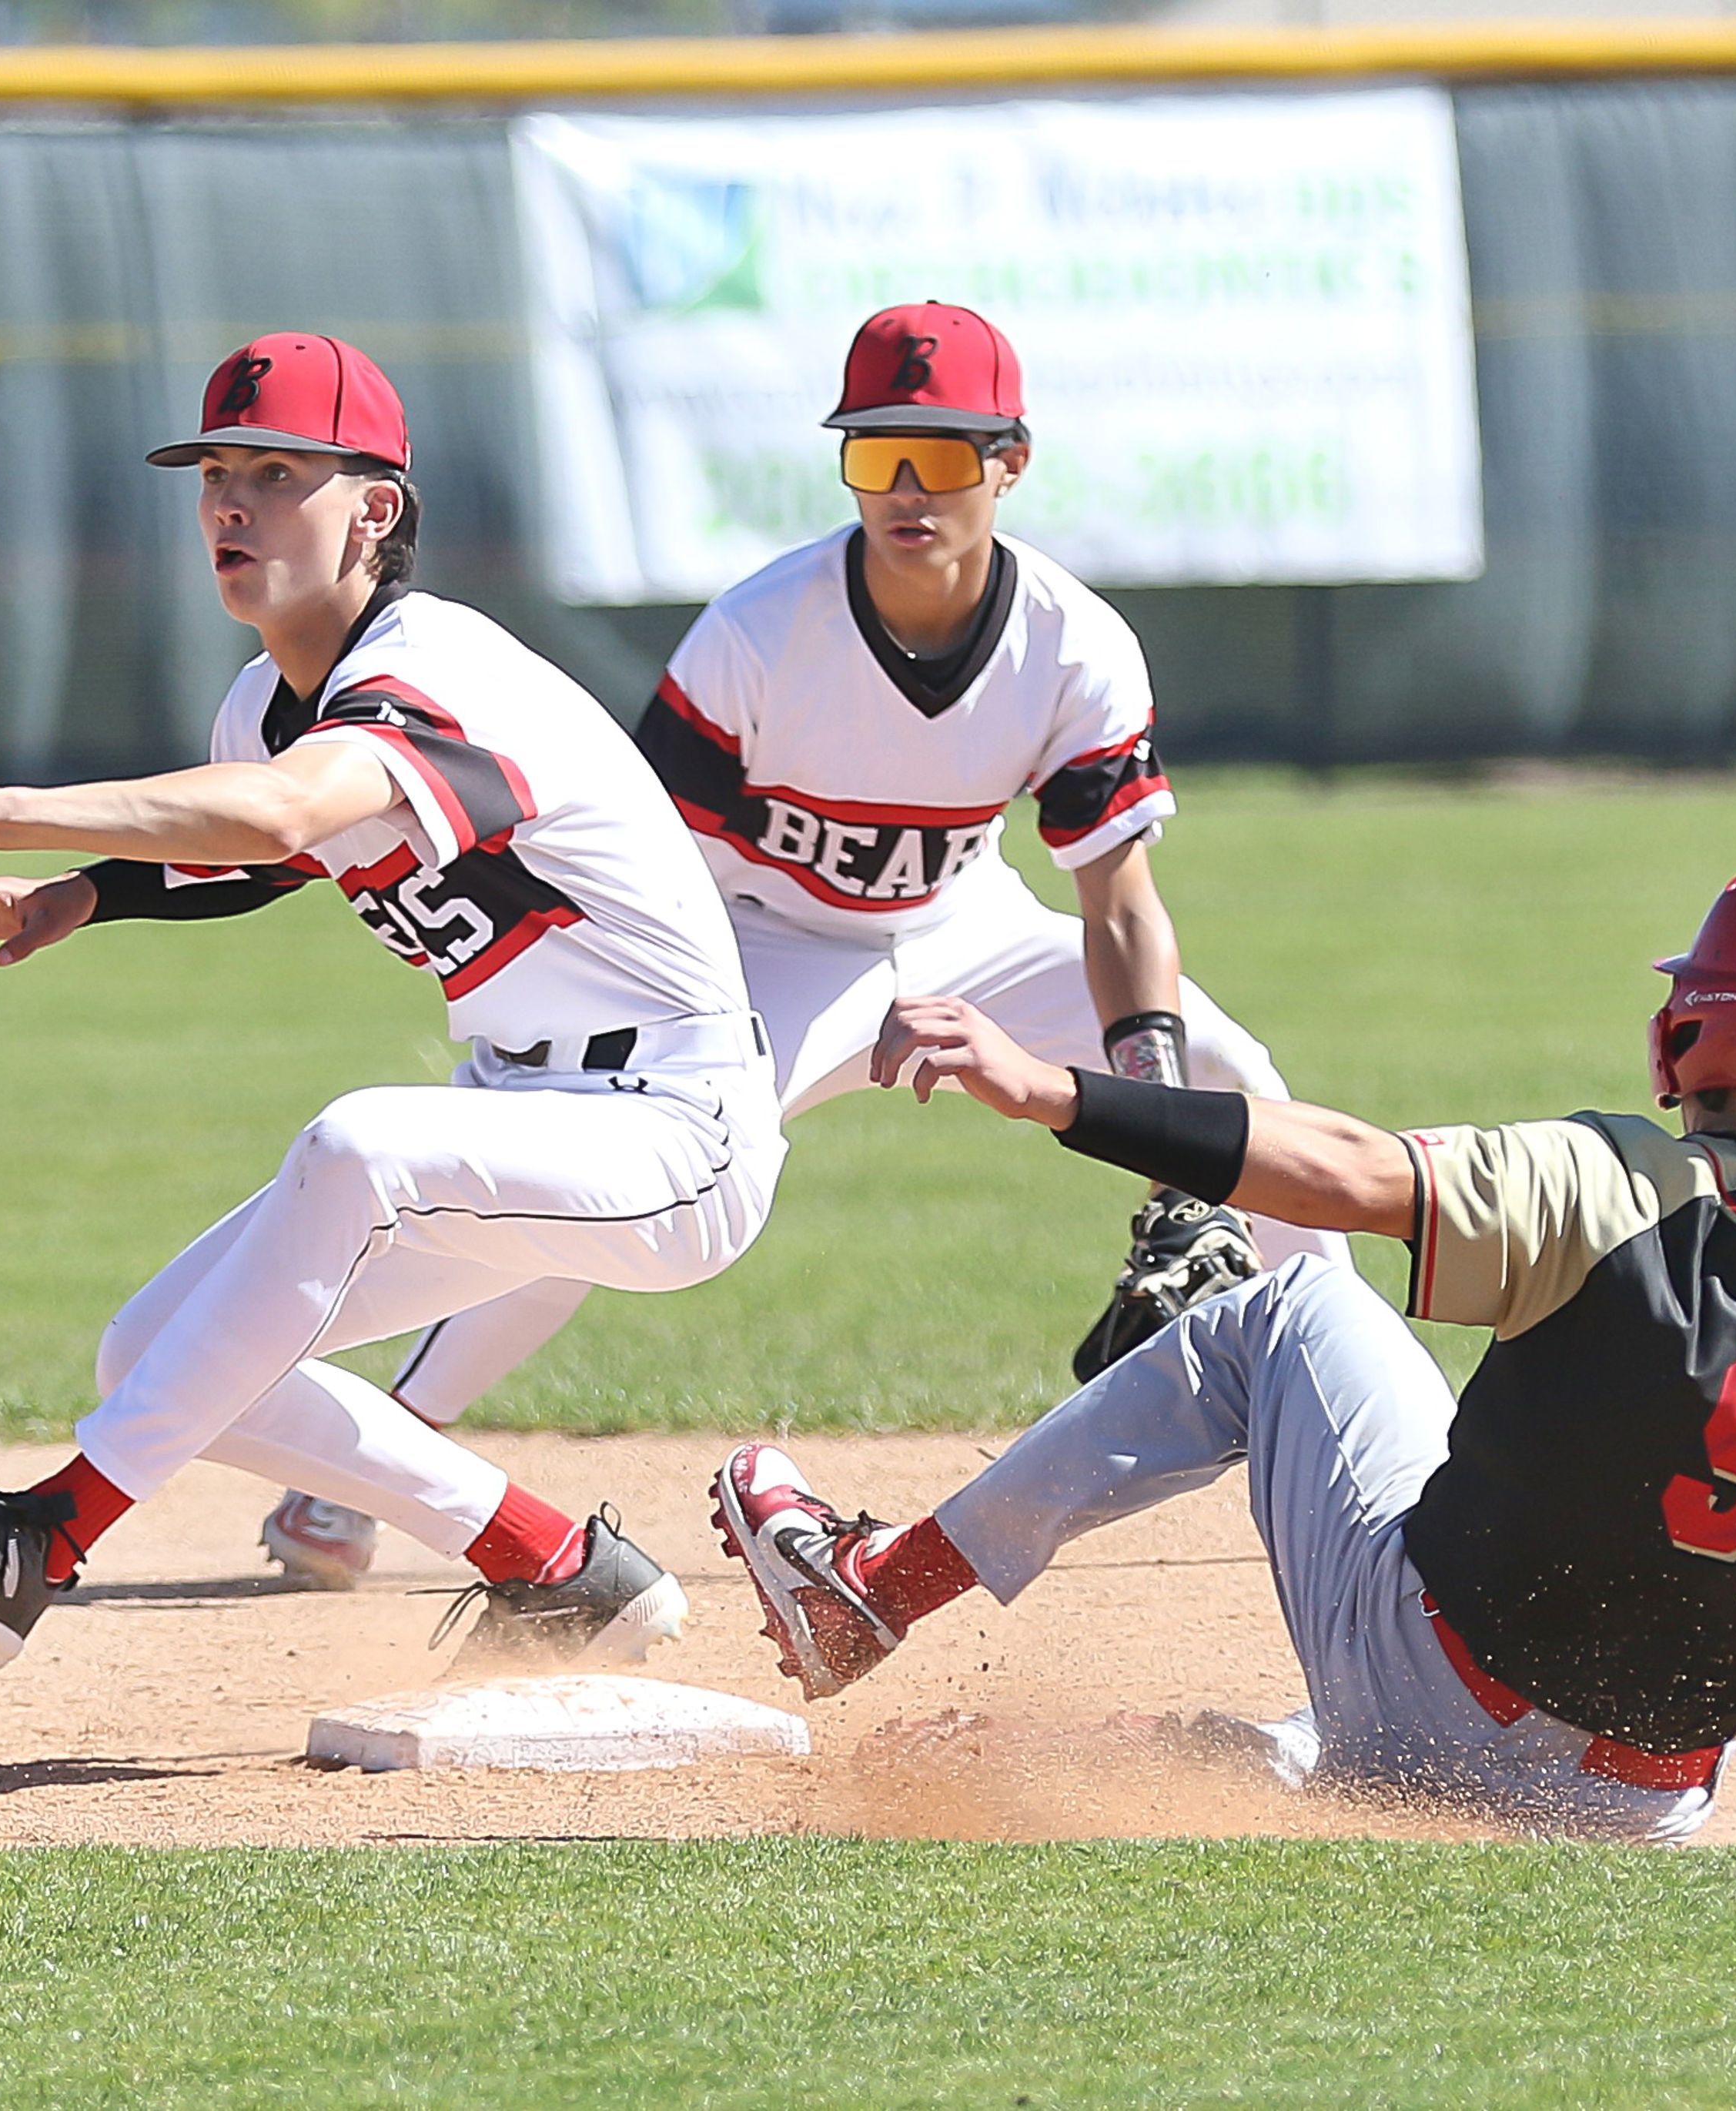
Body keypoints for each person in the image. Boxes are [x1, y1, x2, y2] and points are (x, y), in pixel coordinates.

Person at [711, 858, 1736, 1851]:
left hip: (1441, 1694)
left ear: (1718, 1025)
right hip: (1646, 1808)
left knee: (1287, 1311)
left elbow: (1328, 1172)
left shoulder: (1623, 1182)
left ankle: (877, 1591)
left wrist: (1066, 1095)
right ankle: (1301, 1767)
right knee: (1464, 1623)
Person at [259, 301, 1353, 1590]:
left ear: (1012, 461)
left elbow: (1118, 904)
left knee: (1236, 1073)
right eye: (875, 452)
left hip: (967, 922)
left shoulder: (1074, 643)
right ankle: (373, 1460)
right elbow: (639, 857)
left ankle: (1359, 1432)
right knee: (609, 1190)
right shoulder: (761, 634)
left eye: (942, 455)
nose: (906, 488)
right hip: (758, 946)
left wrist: (1164, 1129)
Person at [0, 332, 784, 1675]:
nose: (231, 503)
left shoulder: (443, 667)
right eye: (215, 472)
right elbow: (265, 849)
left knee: (357, 1146)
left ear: (376, 511)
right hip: (528, 1113)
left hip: (678, 1128)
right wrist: (78, 895)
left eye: (278, 471)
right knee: (157, 1349)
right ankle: (556, 1566)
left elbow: (289, 811)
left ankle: (42, 1539)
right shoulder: (270, 702)